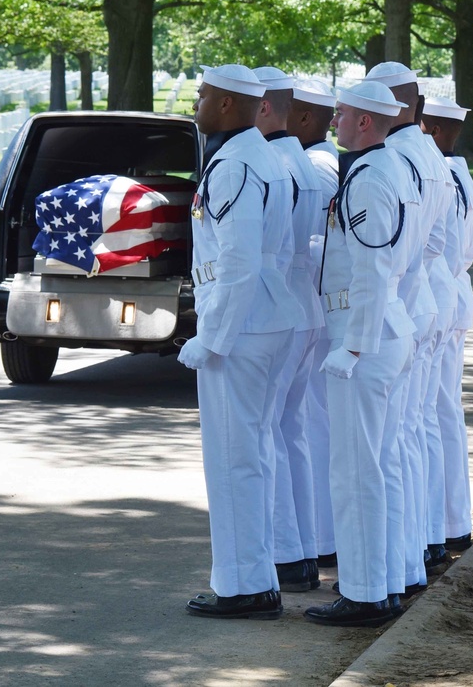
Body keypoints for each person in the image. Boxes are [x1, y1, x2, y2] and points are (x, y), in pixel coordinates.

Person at [179, 64, 300, 619]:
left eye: (203, 95)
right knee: (254, 453)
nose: (196, 102)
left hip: (244, 327)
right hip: (266, 318)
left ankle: (243, 588)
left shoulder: (235, 163)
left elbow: (238, 258)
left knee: (233, 460)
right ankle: (258, 576)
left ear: (227, 103)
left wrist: (213, 338)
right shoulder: (261, 155)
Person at [304, 80, 418, 627]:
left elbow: (372, 269)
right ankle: (385, 584)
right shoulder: (386, 167)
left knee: (356, 471)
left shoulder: (370, 175)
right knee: (379, 466)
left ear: (366, 123)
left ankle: (365, 594)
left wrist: (351, 345)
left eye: (343, 113)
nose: (335, 122)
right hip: (384, 332)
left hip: (366, 338)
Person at [364, 61, 455, 589]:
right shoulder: (425, 150)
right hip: (420, 300)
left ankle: (396, 569)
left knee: (393, 444)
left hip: (401, 304)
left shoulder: (398, 155)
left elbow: (406, 246)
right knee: (409, 436)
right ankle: (416, 551)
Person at [252, 66, 324, 593]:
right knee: (289, 429)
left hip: (277, 303)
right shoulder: (302, 160)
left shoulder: (273, 162)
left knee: (266, 432)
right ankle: (300, 548)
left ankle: (283, 552)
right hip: (304, 304)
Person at [419, 96, 473, 552]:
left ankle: (444, 526)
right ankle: (452, 521)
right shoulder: (458, 172)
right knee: (444, 411)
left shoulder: (444, 173)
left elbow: (448, 251)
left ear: (433, 131)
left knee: (436, 413)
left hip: (441, 293)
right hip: (453, 295)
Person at [286, 78, 340, 570]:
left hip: (319, 311)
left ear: (305, 119)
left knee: (316, 425)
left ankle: (324, 538)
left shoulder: (318, 168)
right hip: (318, 310)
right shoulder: (317, 163)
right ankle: (319, 535)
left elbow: (315, 249)